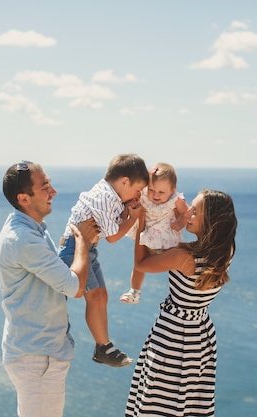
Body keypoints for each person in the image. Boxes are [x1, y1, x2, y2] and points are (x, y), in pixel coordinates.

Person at [0, 161, 99, 417]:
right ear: (24, 198)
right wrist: (83, 242)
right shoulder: (24, 239)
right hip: (37, 359)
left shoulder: (31, 230)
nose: (53, 191)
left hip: (36, 353)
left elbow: (58, 273)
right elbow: (74, 287)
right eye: (45, 187)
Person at [125, 189, 237, 417]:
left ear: (212, 221)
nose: (188, 213)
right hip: (201, 336)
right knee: (188, 405)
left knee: (158, 403)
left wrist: (142, 222)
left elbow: (141, 264)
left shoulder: (183, 256)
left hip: (173, 337)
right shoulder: (226, 251)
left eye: (195, 212)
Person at [58, 153, 149, 367]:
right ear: (124, 181)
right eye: (137, 190)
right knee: (94, 297)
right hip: (75, 248)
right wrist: (134, 217)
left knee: (101, 296)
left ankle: (103, 346)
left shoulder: (112, 197)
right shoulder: (104, 197)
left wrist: (127, 212)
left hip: (88, 249)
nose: (137, 195)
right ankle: (103, 346)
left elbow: (114, 226)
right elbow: (113, 236)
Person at [120, 162, 190, 304]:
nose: (155, 195)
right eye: (151, 190)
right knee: (139, 266)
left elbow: (187, 213)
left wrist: (180, 223)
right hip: (147, 236)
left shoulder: (176, 200)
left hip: (167, 238)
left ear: (173, 190)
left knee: (176, 266)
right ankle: (134, 292)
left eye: (161, 192)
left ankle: (184, 292)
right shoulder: (144, 196)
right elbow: (131, 203)